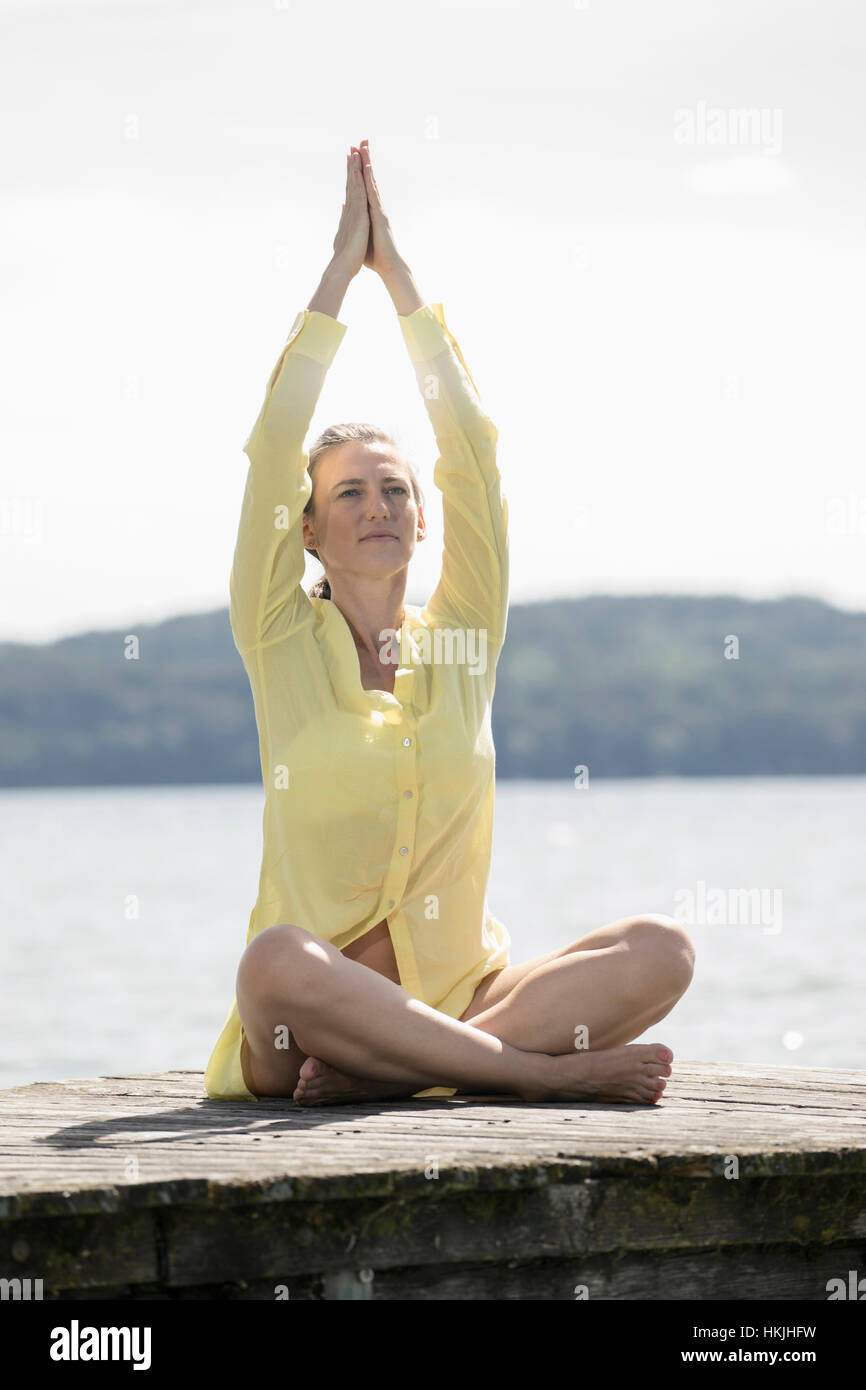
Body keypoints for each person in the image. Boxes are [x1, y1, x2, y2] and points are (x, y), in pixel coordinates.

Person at [204, 139, 695, 1109]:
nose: (378, 504)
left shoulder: (464, 634)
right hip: (311, 1019)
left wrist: (407, 291)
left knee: (661, 950)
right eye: (349, 493)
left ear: (422, 518)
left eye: (395, 489)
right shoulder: (276, 636)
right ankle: (520, 1076)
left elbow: (470, 450)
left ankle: (408, 1070)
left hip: (467, 995)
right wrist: (342, 273)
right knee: (272, 962)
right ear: (305, 530)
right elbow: (270, 449)